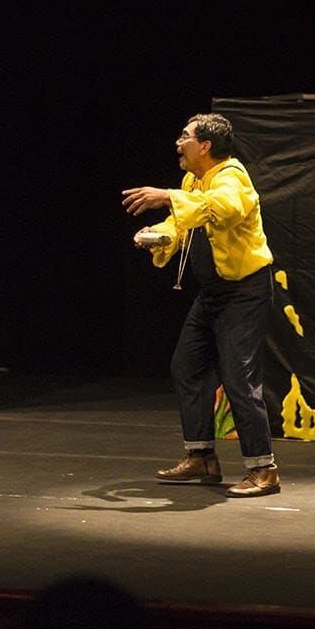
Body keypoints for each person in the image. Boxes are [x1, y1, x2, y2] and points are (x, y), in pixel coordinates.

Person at [122, 113, 280, 498]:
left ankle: (263, 468)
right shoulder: (193, 180)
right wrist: (157, 235)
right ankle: (201, 457)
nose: (178, 142)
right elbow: (181, 223)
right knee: (187, 366)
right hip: (212, 294)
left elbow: (223, 209)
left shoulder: (232, 176)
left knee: (238, 377)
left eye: (185, 136)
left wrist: (167, 196)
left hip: (244, 291)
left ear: (205, 146)